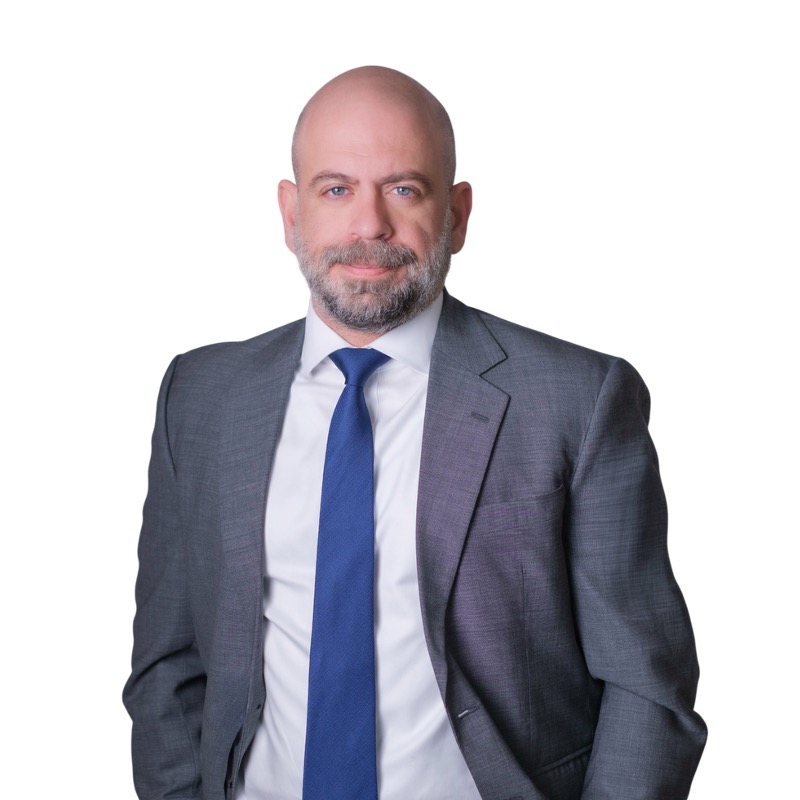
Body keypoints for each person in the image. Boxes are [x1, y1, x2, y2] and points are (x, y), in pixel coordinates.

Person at [123, 66, 707, 800]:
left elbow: (645, 685)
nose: (369, 225)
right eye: (336, 189)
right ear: (291, 213)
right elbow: (168, 664)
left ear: (457, 214)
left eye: (403, 189)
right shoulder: (202, 397)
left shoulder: (578, 401)